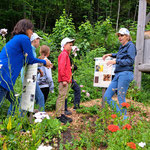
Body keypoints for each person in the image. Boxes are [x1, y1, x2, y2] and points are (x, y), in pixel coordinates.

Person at [0, 19, 51, 115]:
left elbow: (24, 61)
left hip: (6, 79)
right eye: (31, 30)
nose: (32, 33)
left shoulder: (16, 39)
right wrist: (44, 62)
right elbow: (30, 59)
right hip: (4, 78)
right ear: (26, 28)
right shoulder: (24, 38)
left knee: (16, 102)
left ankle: (10, 126)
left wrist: (39, 66)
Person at [102, 28, 137, 120]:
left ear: (127, 36)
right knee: (107, 96)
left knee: (121, 97)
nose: (120, 38)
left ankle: (124, 120)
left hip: (125, 73)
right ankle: (120, 115)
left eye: (122, 35)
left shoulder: (131, 46)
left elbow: (130, 60)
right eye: (119, 36)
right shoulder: (122, 47)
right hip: (118, 74)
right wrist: (110, 55)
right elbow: (119, 55)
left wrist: (115, 61)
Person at [21, 33, 45, 111]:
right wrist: (43, 63)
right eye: (39, 40)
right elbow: (30, 63)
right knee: (39, 97)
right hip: (29, 79)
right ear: (35, 40)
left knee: (27, 99)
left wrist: (39, 69)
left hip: (29, 78)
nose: (39, 43)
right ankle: (41, 117)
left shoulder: (31, 50)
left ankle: (27, 119)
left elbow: (31, 64)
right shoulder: (30, 50)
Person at [56, 37, 75, 124]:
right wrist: (64, 79)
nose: (71, 46)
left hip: (66, 80)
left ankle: (62, 113)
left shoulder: (66, 54)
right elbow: (61, 68)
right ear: (64, 45)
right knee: (61, 97)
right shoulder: (63, 54)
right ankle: (58, 115)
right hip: (64, 80)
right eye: (69, 44)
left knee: (63, 97)